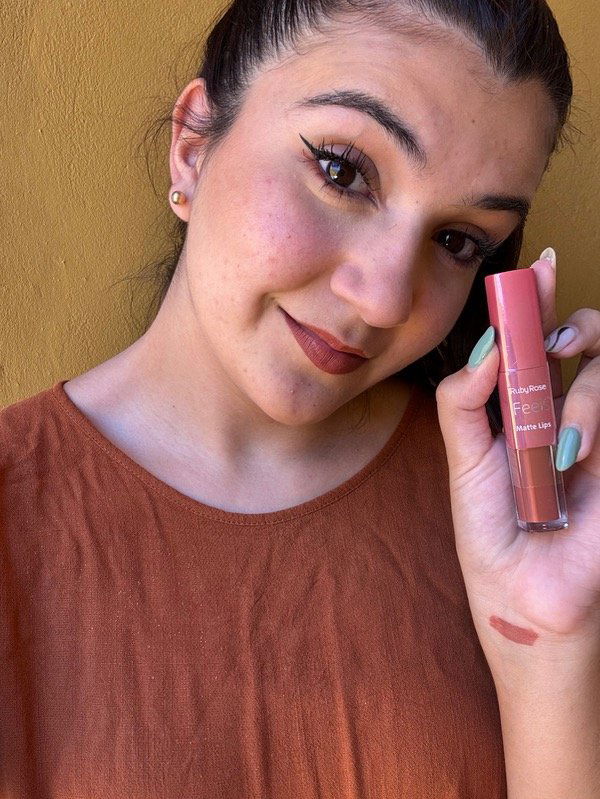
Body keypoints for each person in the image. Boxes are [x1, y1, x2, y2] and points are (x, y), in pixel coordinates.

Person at [1, 0, 599, 796]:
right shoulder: (21, 514)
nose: (385, 299)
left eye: (459, 241)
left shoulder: (516, 519)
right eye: (342, 172)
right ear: (192, 146)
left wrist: (552, 647)